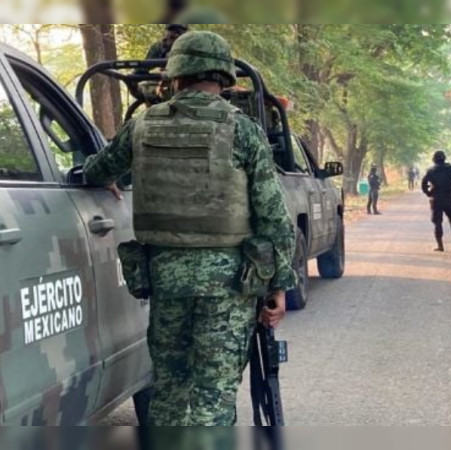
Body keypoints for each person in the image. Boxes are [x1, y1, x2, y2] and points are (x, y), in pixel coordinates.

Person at [83, 31, 297, 426]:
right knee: (213, 396)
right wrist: (280, 288)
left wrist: (98, 176)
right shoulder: (243, 130)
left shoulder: (142, 125)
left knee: (168, 387)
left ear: (175, 75)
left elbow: (97, 170)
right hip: (229, 285)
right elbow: (274, 218)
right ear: (224, 77)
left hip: (165, 280)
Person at [421, 151, 451, 252]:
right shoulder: (450, 168)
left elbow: (423, 184)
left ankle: (440, 246)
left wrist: (428, 193)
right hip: (449, 197)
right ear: (444, 158)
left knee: (437, 222)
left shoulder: (430, 171)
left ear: (434, 159)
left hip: (436, 198)